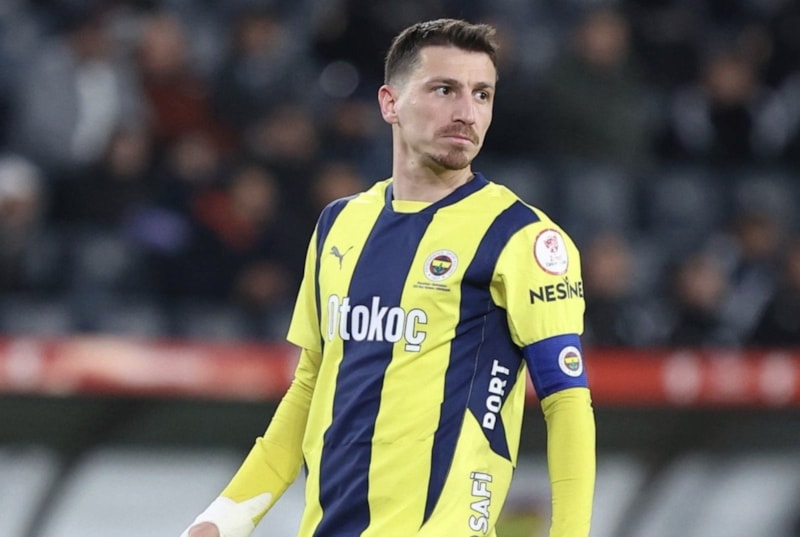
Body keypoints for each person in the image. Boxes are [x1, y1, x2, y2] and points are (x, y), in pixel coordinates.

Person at [180, 19, 595, 537]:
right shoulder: (338, 225)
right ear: (389, 103)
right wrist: (224, 518)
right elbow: (308, 389)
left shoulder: (523, 238)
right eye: (444, 89)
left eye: (482, 94)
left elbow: (566, 401)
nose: (467, 112)